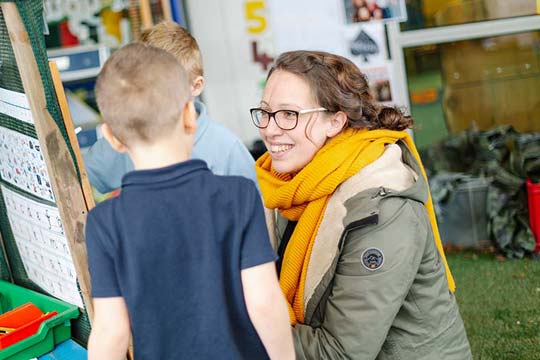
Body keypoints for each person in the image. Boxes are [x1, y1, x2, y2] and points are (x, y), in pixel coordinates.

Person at [252, 50, 472, 359]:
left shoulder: (383, 209)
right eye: (265, 112)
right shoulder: (289, 186)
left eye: (289, 114)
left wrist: (240, 324)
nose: (269, 129)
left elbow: (341, 353)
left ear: (335, 121)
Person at [85, 43, 294, 360]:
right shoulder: (237, 196)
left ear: (111, 137)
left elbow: (110, 332)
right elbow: (264, 301)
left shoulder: (104, 223)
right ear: (189, 115)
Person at [83, 21, 257, 194]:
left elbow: (258, 212)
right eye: (146, 85)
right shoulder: (130, 135)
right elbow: (80, 179)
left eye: (168, 87)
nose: (157, 99)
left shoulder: (227, 150)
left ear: (195, 86)